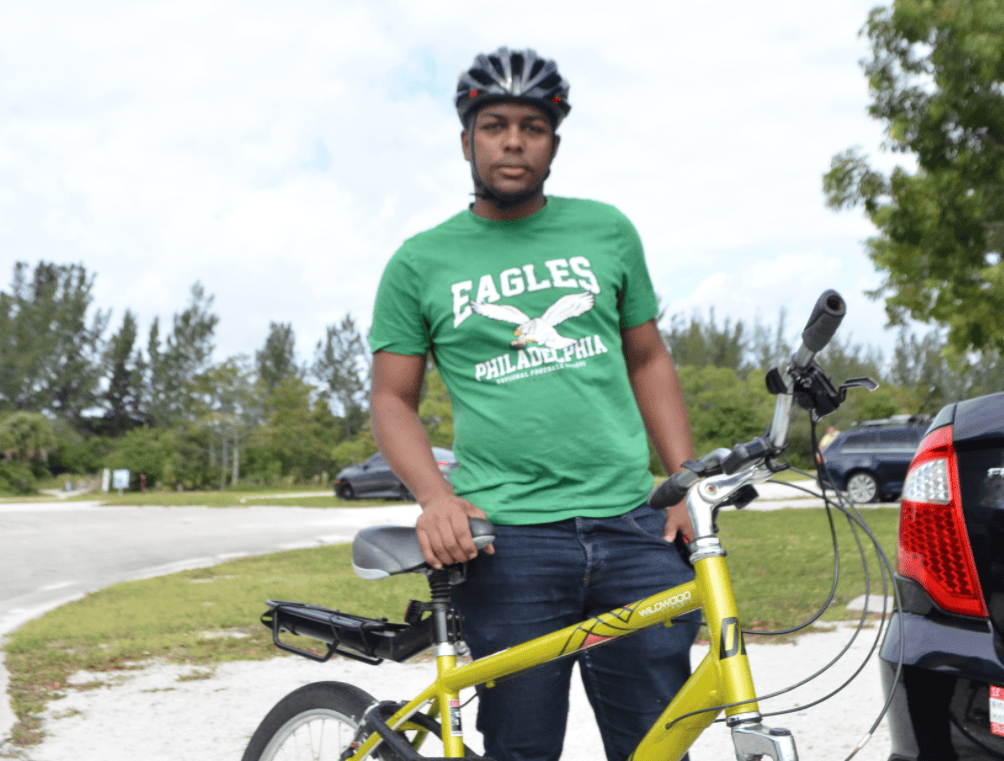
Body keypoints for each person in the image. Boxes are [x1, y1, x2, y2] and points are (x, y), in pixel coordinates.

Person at [369, 46, 698, 761]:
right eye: (493, 124)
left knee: (659, 745)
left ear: (554, 140)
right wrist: (435, 497)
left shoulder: (607, 230)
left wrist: (685, 481)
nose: (513, 140)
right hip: (509, 539)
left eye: (532, 125)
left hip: (632, 529)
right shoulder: (420, 261)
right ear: (466, 139)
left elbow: (648, 358)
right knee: (522, 749)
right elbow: (392, 400)